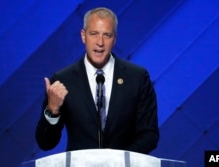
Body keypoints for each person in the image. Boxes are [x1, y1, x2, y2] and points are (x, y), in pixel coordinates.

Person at [35, 7, 159, 154]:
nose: (100, 42)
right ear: (83, 36)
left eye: (107, 35)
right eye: (94, 34)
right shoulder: (63, 80)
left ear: (115, 39)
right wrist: (52, 110)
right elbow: (45, 143)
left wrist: (118, 162)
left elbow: (149, 135)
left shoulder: (137, 77)